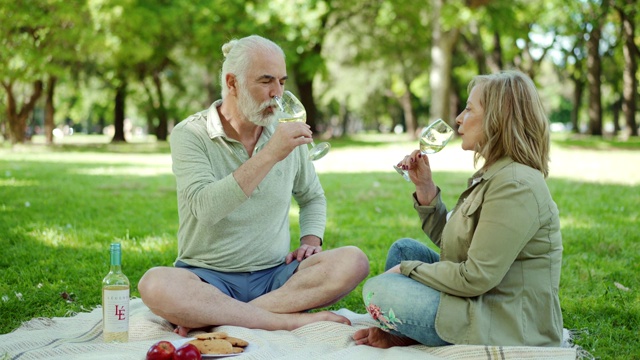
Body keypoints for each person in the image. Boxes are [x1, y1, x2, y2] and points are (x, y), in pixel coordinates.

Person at [138, 35, 369, 336]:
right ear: (232, 83)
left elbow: (312, 197)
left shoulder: (285, 133)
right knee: (155, 284)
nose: (277, 93)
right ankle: (286, 320)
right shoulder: (191, 134)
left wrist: (311, 241)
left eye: (283, 82)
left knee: (354, 261)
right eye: (266, 81)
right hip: (207, 279)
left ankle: (217, 318)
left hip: (277, 276)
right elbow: (205, 209)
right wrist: (271, 154)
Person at [353, 70, 563, 348]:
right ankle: (406, 330)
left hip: (500, 319)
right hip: (479, 296)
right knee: (403, 249)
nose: (458, 119)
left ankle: (408, 329)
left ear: (497, 119)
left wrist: (407, 271)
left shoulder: (515, 185)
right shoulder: (497, 173)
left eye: (468, 109)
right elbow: (460, 245)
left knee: (378, 289)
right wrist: (426, 189)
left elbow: (476, 276)